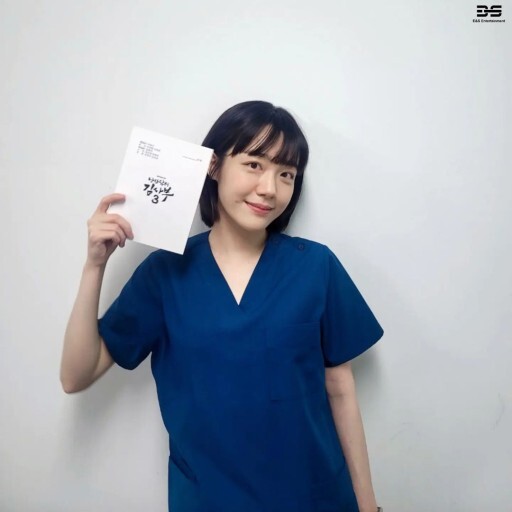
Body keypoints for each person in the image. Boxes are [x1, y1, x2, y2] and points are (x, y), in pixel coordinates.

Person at [60, 100, 384, 512]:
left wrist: (368, 505)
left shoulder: (316, 267)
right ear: (212, 166)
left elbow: (341, 389)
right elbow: (76, 375)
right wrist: (95, 266)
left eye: (286, 174)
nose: (269, 188)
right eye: (253, 165)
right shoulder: (165, 274)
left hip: (315, 497)